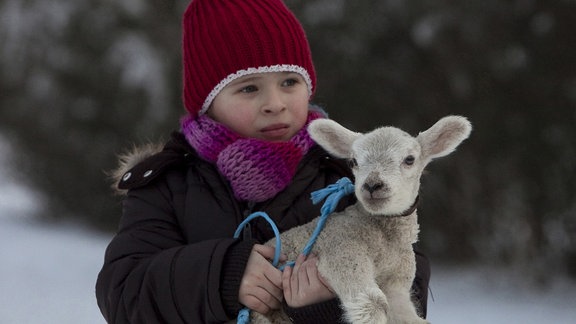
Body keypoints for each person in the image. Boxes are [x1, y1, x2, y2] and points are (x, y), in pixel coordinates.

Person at [95, 0, 430, 323]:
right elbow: (123, 294)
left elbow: (405, 272)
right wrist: (223, 275)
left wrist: (327, 307)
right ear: (208, 103)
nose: (275, 103)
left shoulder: (342, 176)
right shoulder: (169, 185)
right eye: (248, 88)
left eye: (289, 82)